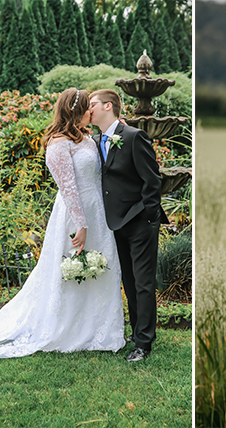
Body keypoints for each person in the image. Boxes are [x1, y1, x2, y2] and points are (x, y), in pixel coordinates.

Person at [0, 88, 125, 361]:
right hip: (75, 215)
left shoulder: (87, 137)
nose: (92, 111)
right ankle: (68, 327)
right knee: (69, 270)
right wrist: (81, 224)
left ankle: (100, 327)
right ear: (77, 111)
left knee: (101, 267)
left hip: (99, 212)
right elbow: (68, 187)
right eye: (88, 107)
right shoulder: (58, 143)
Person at [89, 89, 168, 363]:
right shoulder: (97, 139)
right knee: (130, 281)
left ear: (108, 106)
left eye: (93, 105)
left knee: (144, 282)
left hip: (140, 221)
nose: (89, 109)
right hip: (115, 222)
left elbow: (152, 181)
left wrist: (148, 215)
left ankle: (144, 344)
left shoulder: (134, 137)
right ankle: (138, 332)